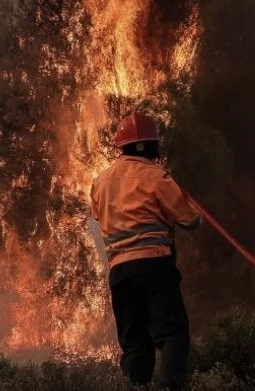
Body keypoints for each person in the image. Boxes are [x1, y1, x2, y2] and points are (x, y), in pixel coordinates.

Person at [89, 112, 202, 390]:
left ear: (121, 146)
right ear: (153, 146)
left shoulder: (101, 182)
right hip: (154, 269)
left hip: (121, 275)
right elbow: (190, 220)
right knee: (173, 334)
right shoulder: (157, 177)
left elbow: (98, 216)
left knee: (136, 347)